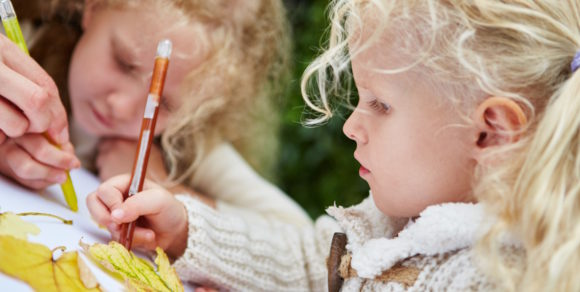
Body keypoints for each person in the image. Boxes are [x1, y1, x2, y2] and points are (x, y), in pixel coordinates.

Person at [88, 0, 580, 291]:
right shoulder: (399, 219)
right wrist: (185, 232)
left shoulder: (494, 275)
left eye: (380, 106)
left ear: (489, 132)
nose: (351, 127)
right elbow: (310, 261)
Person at [0, 0, 310, 226]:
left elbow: (299, 236)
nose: (121, 106)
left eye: (166, 105)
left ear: (201, 111)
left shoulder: (187, 145)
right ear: (93, 8)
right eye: (124, 62)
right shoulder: (24, 44)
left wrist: (169, 189)